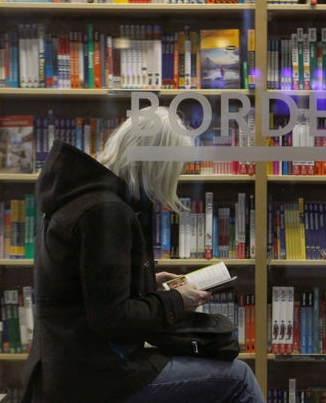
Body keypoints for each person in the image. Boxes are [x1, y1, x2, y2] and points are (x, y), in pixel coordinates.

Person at [21, 106, 265, 403]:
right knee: (238, 378)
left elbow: (88, 295)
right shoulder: (105, 211)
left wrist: (145, 283)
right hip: (95, 375)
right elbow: (111, 318)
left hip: (67, 366)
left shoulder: (79, 197)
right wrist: (177, 301)